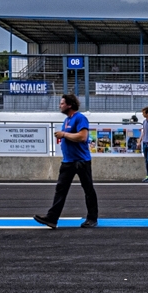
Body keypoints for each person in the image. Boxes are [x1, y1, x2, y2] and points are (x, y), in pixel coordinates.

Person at [35, 93, 96, 228]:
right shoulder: (67, 120)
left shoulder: (80, 118)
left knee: (88, 189)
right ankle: (52, 218)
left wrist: (64, 134)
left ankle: (92, 218)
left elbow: (82, 137)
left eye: (62, 103)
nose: (59, 105)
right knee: (60, 190)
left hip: (81, 161)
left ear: (69, 105)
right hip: (68, 161)